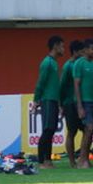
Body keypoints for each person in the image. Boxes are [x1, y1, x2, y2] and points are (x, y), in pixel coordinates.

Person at [33, 35, 64, 169]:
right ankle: (42, 161)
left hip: (53, 100)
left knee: (51, 130)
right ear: (55, 46)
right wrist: (36, 100)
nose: (63, 49)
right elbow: (41, 83)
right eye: (62, 46)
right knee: (47, 130)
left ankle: (48, 160)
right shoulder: (47, 63)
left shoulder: (54, 63)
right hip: (47, 100)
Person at [73, 39, 93, 169]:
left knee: (91, 130)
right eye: (92, 49)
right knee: (88, 129)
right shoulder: (79, 64)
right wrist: (79, 106)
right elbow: (76, 84)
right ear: (85, 50)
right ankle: (82, 159)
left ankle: (86, 159)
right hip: (85, 102)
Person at [59, 40, 84, 168]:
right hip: (70, 103)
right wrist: (61, 105)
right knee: (71, 132)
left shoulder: (81, 64)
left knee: (87, 130)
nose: (84, 53)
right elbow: (62, 86)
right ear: (75, 52)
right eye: (82, 51)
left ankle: (83, 159)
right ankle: (72, 161)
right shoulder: (68, 66)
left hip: (81, 102)